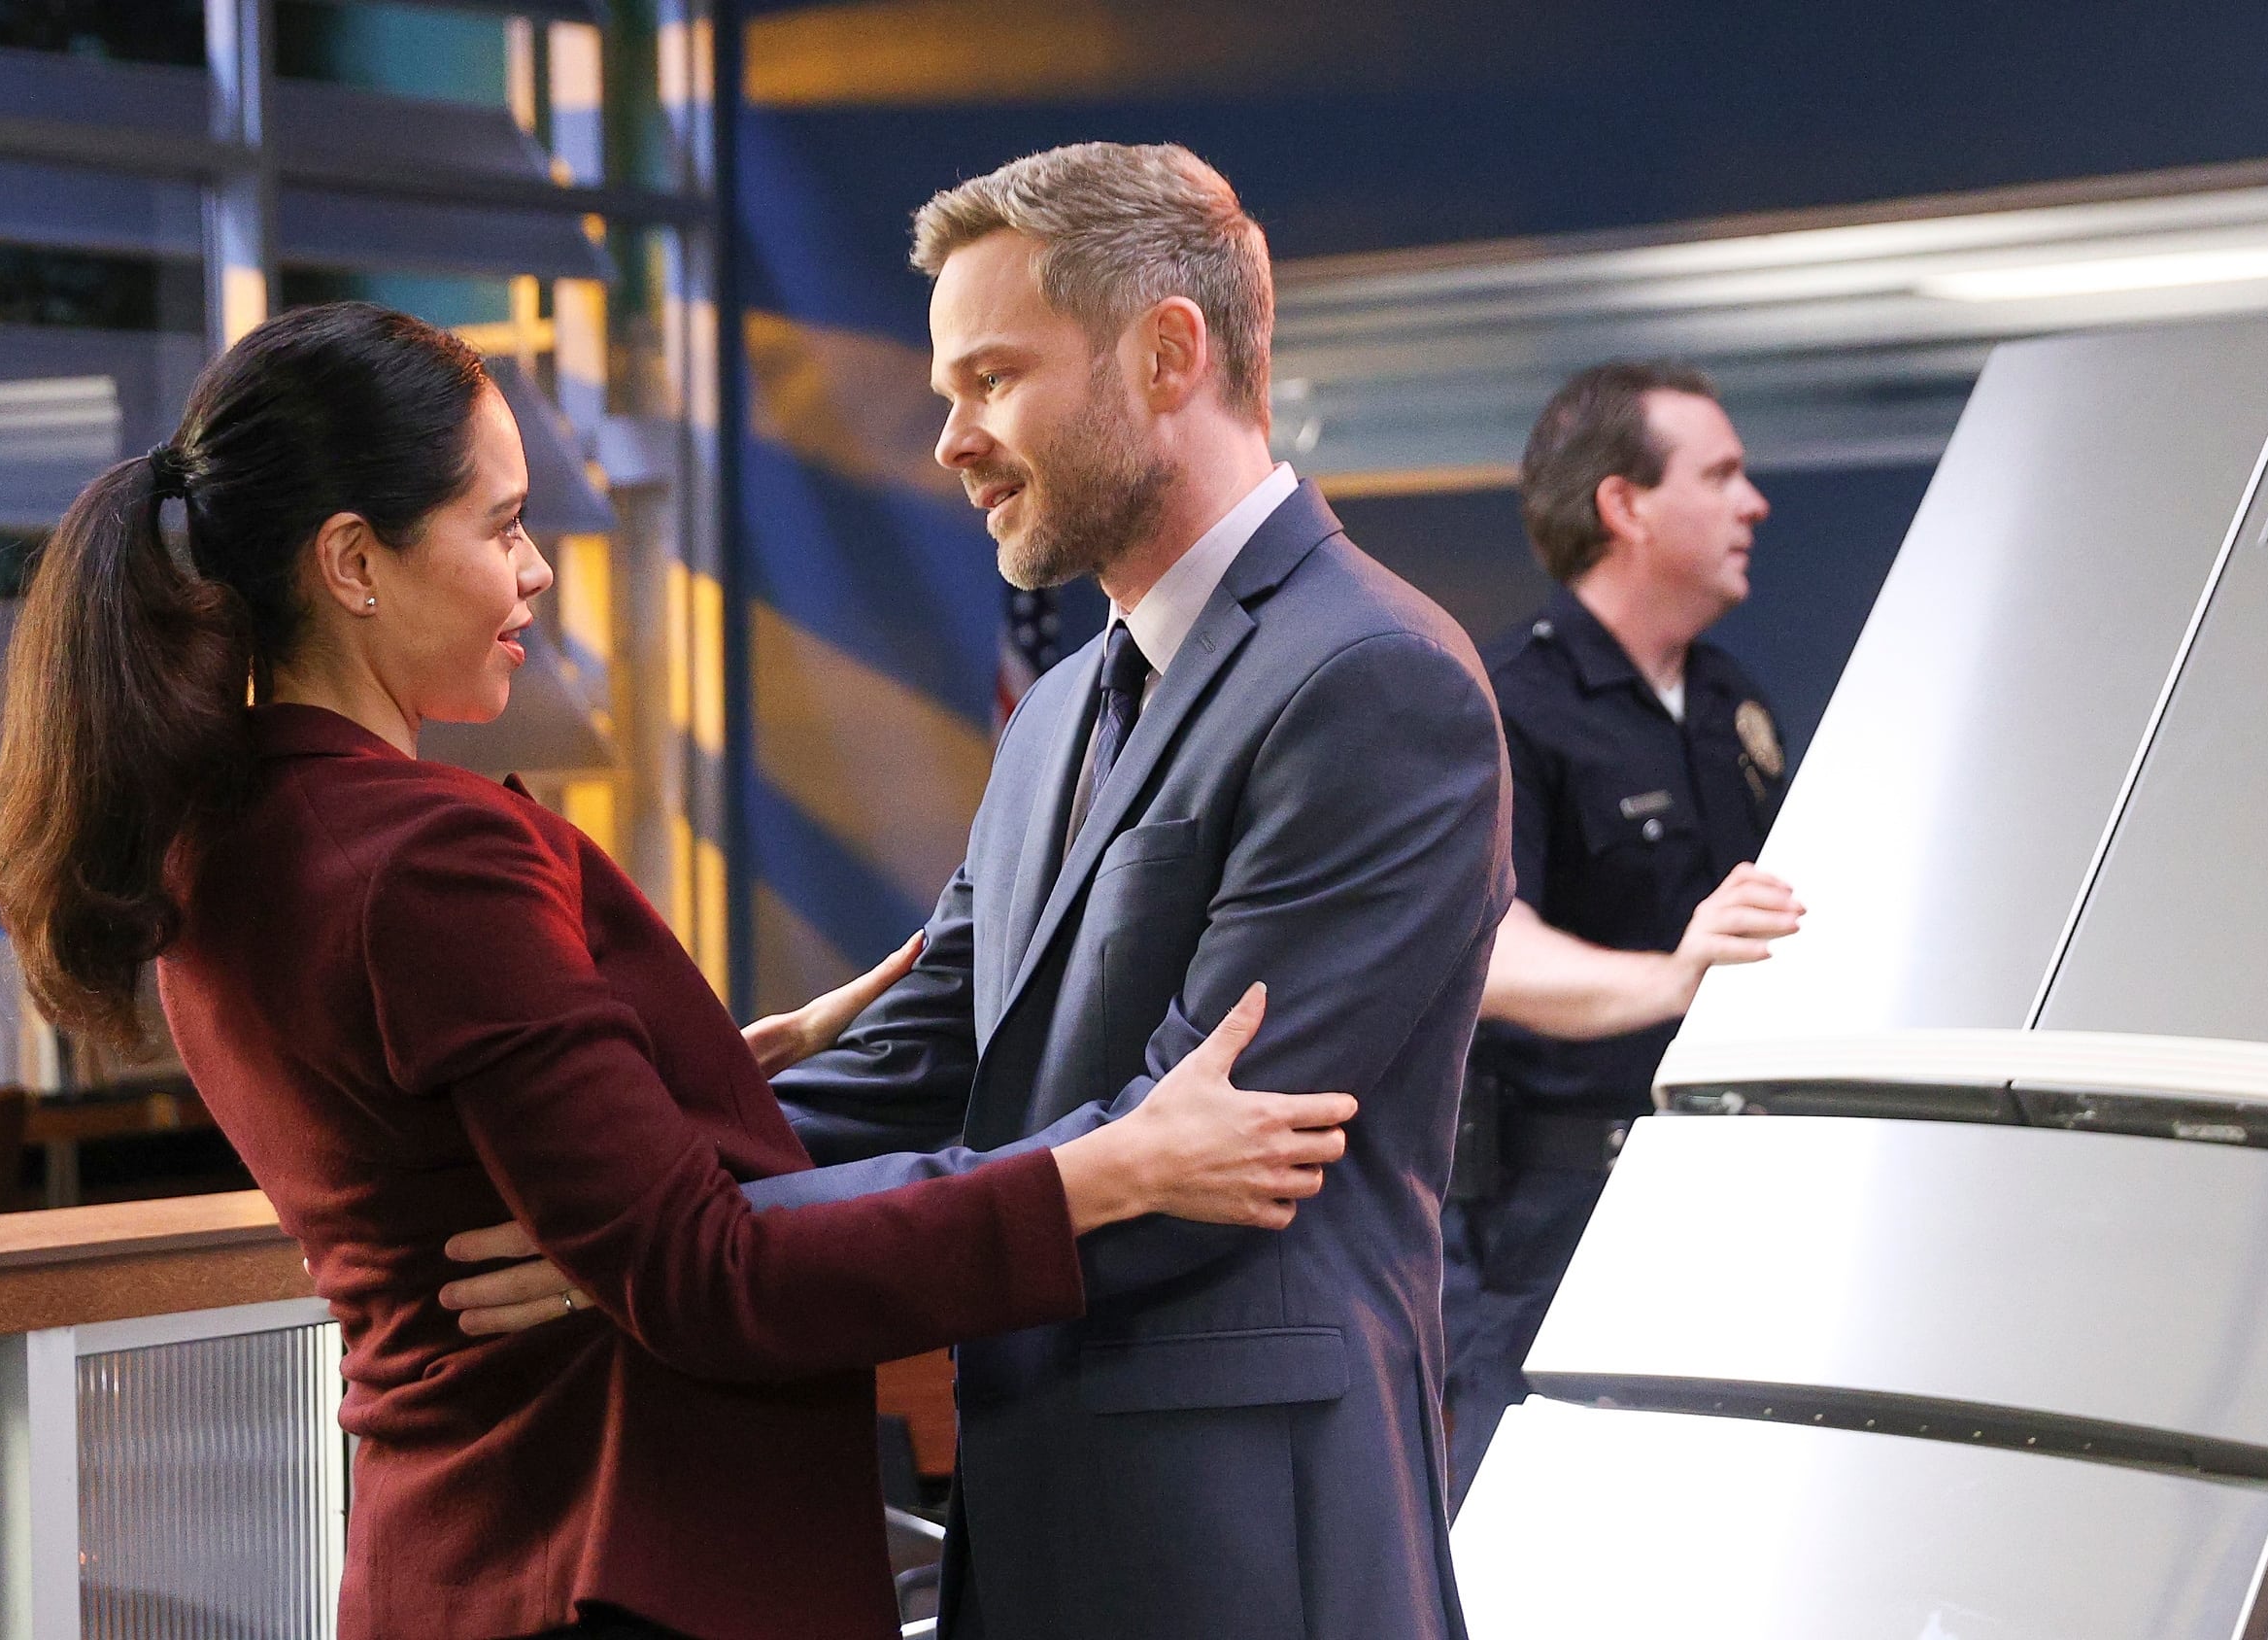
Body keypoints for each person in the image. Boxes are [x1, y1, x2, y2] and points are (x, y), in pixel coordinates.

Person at [0, 300, 1361, 1640]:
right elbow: (706, 1275)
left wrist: (692, 1081)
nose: (535, 570)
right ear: (352, 563)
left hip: (467, 1555)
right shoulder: (431, 859)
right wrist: (1116, 1169)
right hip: (611, 1563)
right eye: (501, 527)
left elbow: (444, 1148)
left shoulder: (219, 850)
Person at [456, 142, 1510, 1640]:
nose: (952, 440)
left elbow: (1194, 1168)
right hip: (1038, 1523)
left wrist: (661, 1258)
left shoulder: (1376, 680)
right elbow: (925, 1061)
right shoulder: (1063, 705)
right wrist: (619, 1193)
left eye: (992, 381)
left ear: (1167, 355)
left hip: (1245, 1552)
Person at [1440, 360, 1806, 1502]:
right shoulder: (1504, 699)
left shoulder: (1732, 705)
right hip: (1547, 1229)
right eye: (1721, 475)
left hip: (1723, 1203)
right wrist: (1672, 978)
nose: (1755, 503)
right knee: (1530, 1532)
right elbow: (1482, 949)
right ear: (1624, 505)